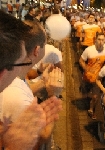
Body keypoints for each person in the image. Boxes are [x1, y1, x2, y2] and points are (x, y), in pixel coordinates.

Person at [0, 10, 62, 149]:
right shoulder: (14, 94)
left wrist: (43, 82)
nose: (25, 60)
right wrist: (54, 95)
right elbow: (42, 138)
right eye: (20, 60)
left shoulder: (15, 82)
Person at [79, 32, 105, 119]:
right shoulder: (89, 50)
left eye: (102, 40)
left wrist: (102, 72)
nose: (100, 41)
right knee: (85, 91)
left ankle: (91, 110)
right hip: (87, 76)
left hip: (97, 78)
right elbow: (81, 61)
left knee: (95, 96)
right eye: (99, 39)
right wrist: (87, 69)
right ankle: (84, 89)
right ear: (95, 40)